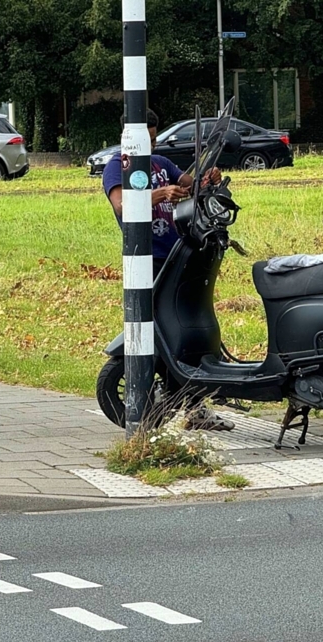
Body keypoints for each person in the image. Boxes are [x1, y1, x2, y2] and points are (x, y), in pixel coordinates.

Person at [102, 109, 233, 431]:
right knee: (161, 331)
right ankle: (170, 398)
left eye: (153, 138)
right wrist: (161, 194)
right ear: (127, 139)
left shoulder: (162, 165)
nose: (150, 145)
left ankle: (194, 404)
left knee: (185, 328)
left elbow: (191, 183)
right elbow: (122, 204)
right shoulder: (117, 167)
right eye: (143, 140)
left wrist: (208, 178)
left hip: (177, 257)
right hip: (146, 260)